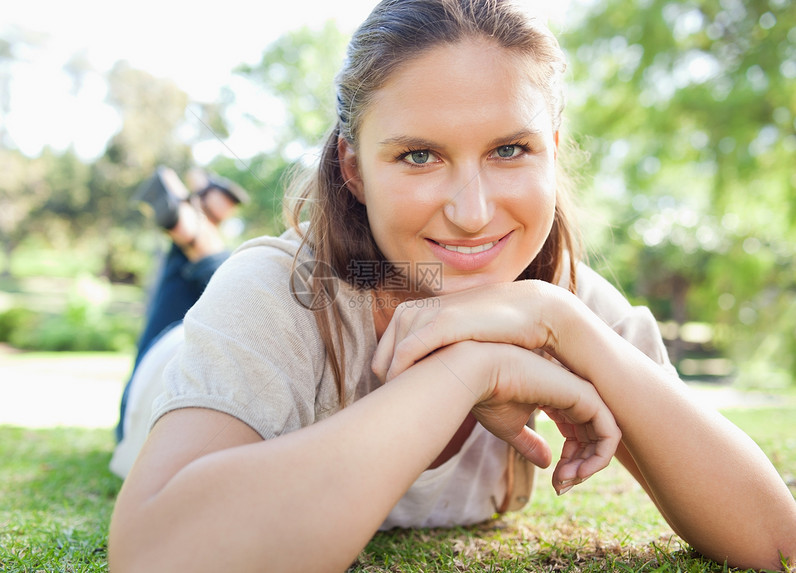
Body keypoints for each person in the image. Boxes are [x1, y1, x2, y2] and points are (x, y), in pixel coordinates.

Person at [108, 1, 796, 571]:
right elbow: (156, 557)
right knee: (199, 287)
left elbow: (773, 540)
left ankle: (195, 239)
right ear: (352, 168)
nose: (472, 213)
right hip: (168, 377)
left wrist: (563, 323)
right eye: (418, 155)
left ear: (553, 150)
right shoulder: (274, 293)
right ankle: (192, 247)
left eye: (509, 149)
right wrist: (473, 366)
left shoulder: (562, 302)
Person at [111, 166, 248, 473]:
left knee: (222, 283)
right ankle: (198, 220)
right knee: (242, 295)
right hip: (151, 414)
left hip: (143, 416)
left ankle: (196, 223)